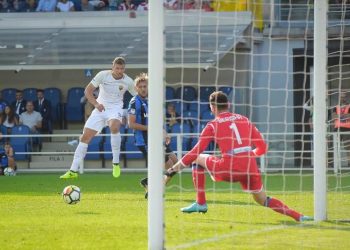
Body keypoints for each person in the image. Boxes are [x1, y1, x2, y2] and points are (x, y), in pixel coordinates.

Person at [164, 91, 312, 222]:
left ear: (212, 107)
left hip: (228, 169)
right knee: (264, 200)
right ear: (228, 104)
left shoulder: (212, 125)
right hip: (250, 169)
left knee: (198, 158)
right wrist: (247, 155)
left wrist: (173, 169)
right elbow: (263, 147)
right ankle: (299, 216)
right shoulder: (245, 120)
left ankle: (201, 203)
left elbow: (195, 152)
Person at [60, 57, 137, 179]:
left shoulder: (128, 81)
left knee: (114, 126)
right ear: (113, 67)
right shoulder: (103, 75)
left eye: (122, 68)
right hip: (100, 109)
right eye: (117, 68)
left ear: (124, 68)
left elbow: (137, 96)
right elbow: (88, 91)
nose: (119, 71)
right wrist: (96, 104)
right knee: (85, 137)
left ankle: (115, 163)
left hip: (115, 109)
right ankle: (73, 171)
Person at [128, 73, 178, 199]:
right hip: (144, 141)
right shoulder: (135, 102)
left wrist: (165, 134)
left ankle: (150, 183)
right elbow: (131, 124)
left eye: (145, 86)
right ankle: (155, 189)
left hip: (156, 139)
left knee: (176, 163)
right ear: (136, 88)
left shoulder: (150, 101)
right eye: (140, 87)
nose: (143, 89)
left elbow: (156, 122)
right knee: (168, 165)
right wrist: (150, 129)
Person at [332, 91, 350, 165]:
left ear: (346, 97)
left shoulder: (349, 106)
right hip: (337, 128)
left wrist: (340, 116)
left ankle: (349, 163)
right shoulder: (335, 107)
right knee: (334, 146)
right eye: (341, 96)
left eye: (344, 96)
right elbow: (333, 117)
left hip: (347, 129)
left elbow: (348, 116)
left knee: (347, 147)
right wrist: (344, 116)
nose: (342, 98)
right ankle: (333, 163)